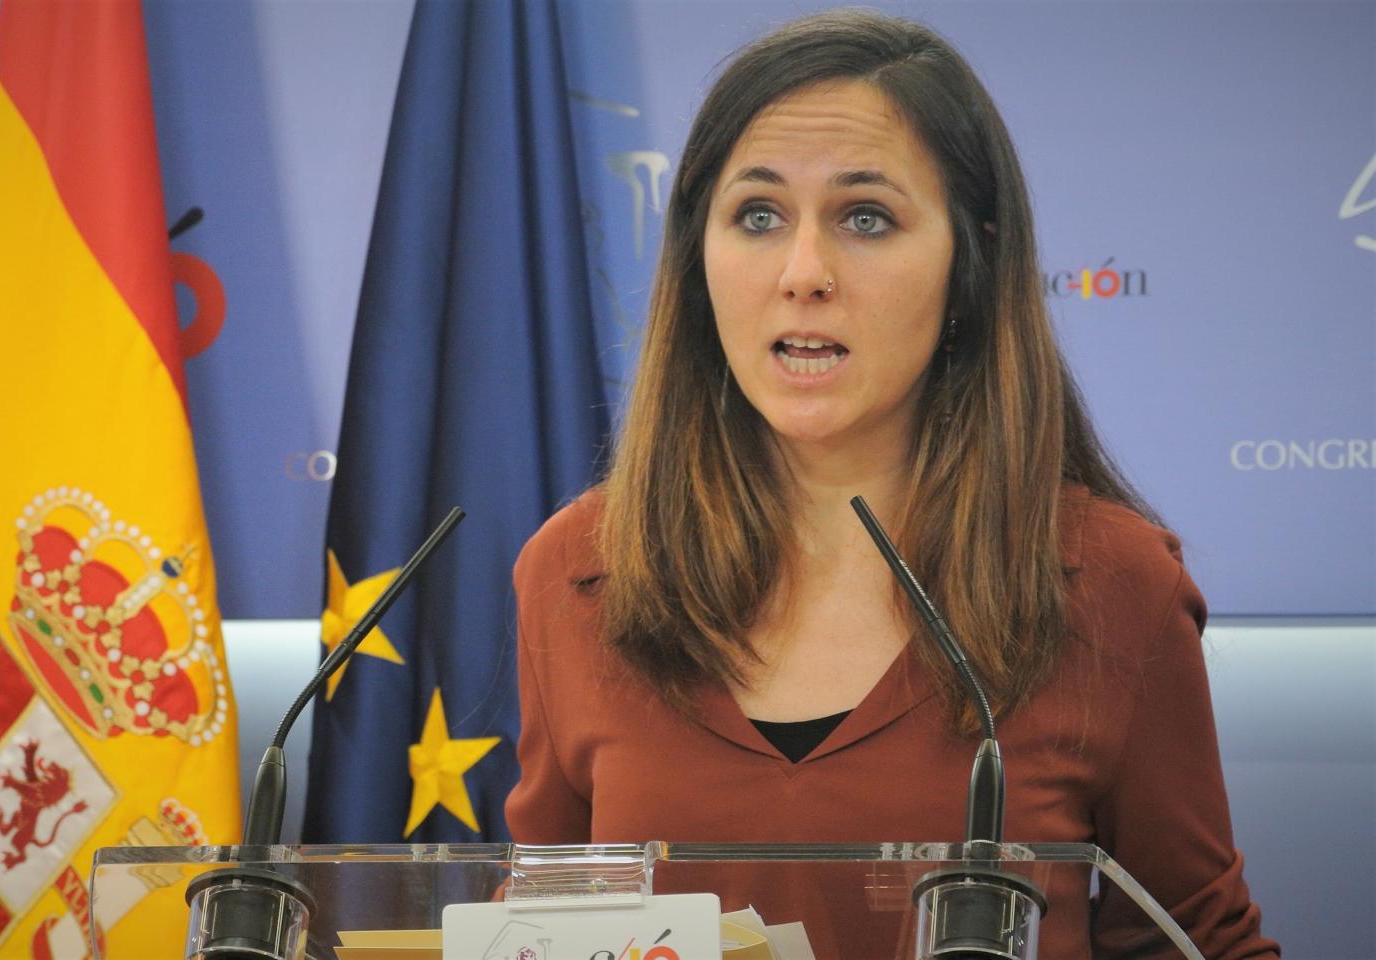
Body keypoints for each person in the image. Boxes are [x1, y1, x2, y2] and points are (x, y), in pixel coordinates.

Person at [505, 9, 1277, 959]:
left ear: (972, 259)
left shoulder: (1114, 585)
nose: (803, 272)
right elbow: (540, 925)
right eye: (757, 215)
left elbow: (1194, 942)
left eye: (865, 218)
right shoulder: (579, 570)